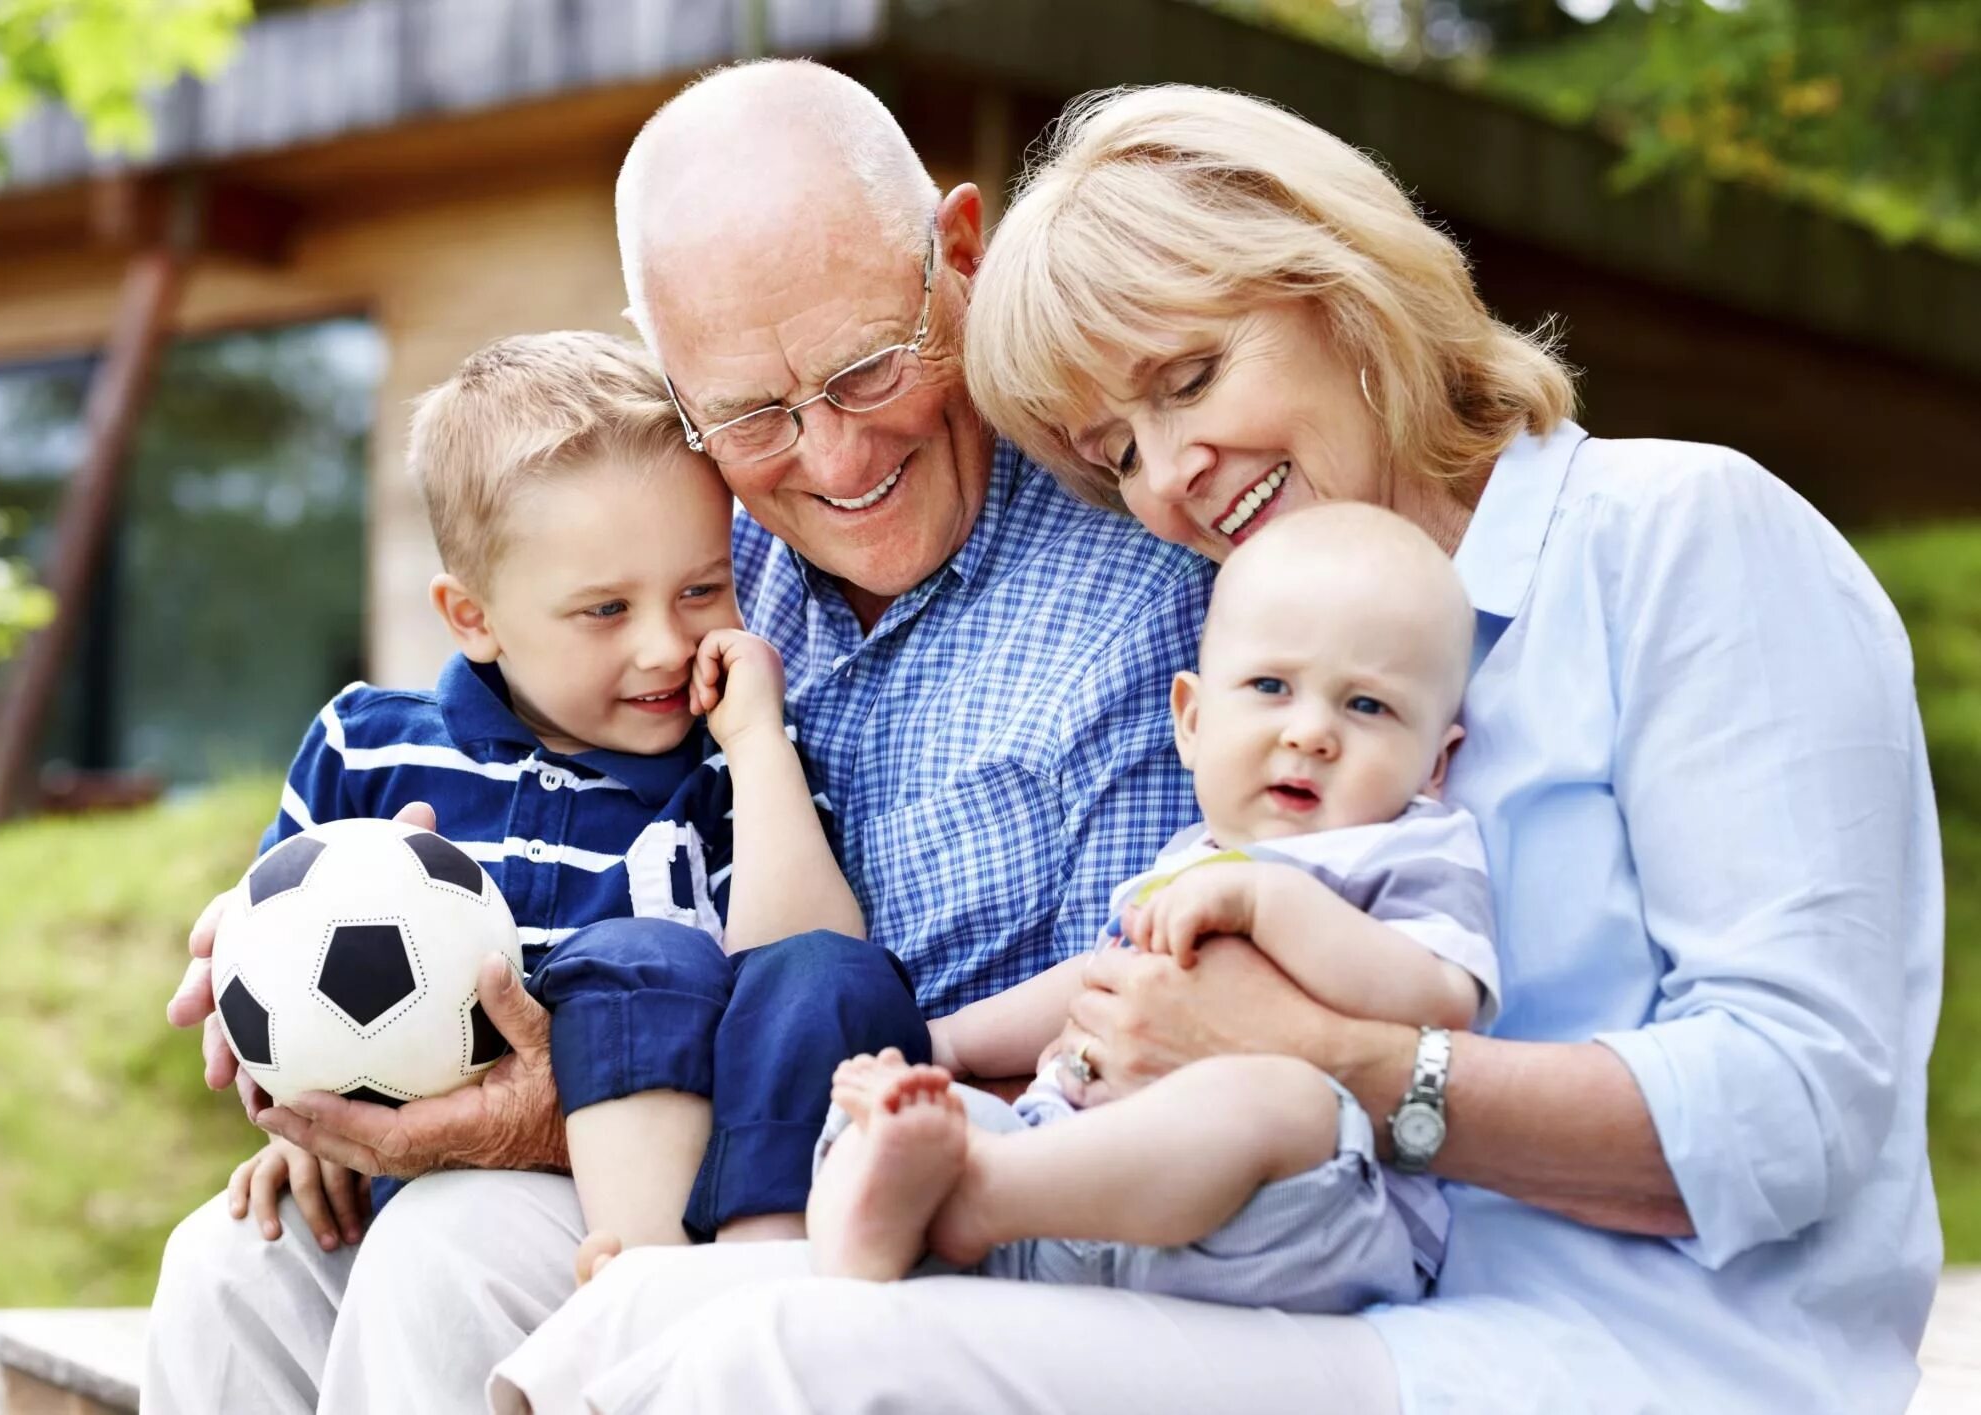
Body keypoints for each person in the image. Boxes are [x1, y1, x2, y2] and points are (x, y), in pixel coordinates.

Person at [506, 84, 1942, 1415]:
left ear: (1335, 282)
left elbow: (1791, 1109)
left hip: (1627, 1358)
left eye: (1187, 378)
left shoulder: (1676, 537)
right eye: (1113, 449)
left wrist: (1338, 1056)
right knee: (630, 1315)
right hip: (1341, 1295)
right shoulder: (1262, 646)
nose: (1169, 475)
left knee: (784, 1350)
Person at [152, 61, 1212, 1415]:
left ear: (959, 256)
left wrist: (592, 1114)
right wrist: (308, 948)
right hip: (634, 1150)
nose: (829, 460)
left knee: (447, 1250)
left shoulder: (1137, 597)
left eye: (866, 368)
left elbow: (1113, 1061)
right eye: (754, 413)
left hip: (915, 1213)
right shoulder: (683, 554)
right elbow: (489, 776)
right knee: (234, 1259)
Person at [143, 330, 929, 1411]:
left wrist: (757, 748)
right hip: (390, 1178)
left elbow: (802, 963)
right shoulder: (370, 748)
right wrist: (305, 1120)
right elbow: (273, 974)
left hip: (632, 1196)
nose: (662, 644)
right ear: (473, 617)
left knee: (444, 1241)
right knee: (226, 1256)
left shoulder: (724, 776)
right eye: (605, 609)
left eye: (702, 589)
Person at [810, 502, 1499, 1315]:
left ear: (1434, 764)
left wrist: (1269, 900)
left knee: (1282, 1101)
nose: (1311, 732)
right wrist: (947, 1041)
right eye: (1272, 686)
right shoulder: (1186, 856)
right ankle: (867, 1235)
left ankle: (977, 1198)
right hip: (1075, 1189)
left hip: (1292, 1223)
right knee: (905, 1112)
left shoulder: (1408, 846)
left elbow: (1442, 999)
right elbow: (1094, 977)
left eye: (1368, 706)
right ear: (1193, 720)